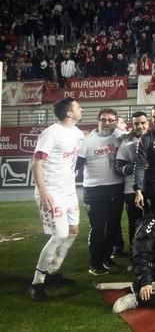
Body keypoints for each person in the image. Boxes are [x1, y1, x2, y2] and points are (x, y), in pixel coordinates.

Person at [29, 97, 85, 301]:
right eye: (78, 107)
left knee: (72, 231)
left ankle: (53, 272)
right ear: (69, 113)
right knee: (60, 234)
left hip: (69, 191)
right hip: (52, 192)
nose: (81, 109)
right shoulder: (51, 133)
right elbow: (36, 163)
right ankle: (37, 282)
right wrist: (43, 192)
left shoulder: (77, 133)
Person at [76, 108, 126, 276]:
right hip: (94, 189)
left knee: (113, 227)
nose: (107, 123)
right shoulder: (87, 140)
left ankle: (106, 258)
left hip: (116, 187)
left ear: (116, 121)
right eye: (103, 120)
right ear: (98, 120)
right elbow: (76, 165)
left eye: (111, 120)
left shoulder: (121, 135)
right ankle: (95, 263)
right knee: (98, 228)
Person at [114, 111, 149, 251]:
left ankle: (150, 253)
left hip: (152, 188)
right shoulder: (126, 142)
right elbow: (118, 167)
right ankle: (135, 253)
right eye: (136, 123)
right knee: (135, 223)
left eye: (142, 123)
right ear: (132, 125)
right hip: (131, 190)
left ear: (148, 123)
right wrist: (137, 166)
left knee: (152, 222)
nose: (140, 126)